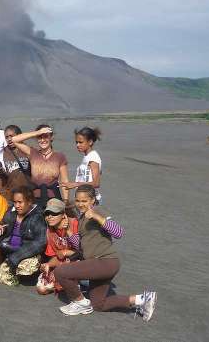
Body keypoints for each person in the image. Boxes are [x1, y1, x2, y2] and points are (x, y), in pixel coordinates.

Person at [53, 184, 157, 321]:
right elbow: (82, 246)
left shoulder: (98, 210)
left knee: (60, 272)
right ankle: (143, 299)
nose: (80, 204)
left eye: (84, 201)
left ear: (92, 201)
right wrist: (68, 232)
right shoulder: (83, 218)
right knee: (99, 304)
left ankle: (80, 302)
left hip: (104, 261)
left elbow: (119, 232)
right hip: (102, 264)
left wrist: (96, 217)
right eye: (77, 200)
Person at [0, 186, 46, 280]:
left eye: (20, 202)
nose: (17, 205)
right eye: (15, 202)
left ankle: (12, 265)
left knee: (27, 269)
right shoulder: (11, 211)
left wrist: (16, 257)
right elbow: (3, 223)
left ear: (29, 202)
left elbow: (40, 243)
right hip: (8, 247)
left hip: (25, 252)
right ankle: (5, 263)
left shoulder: (37, 217)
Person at [9, 125, 69, 209]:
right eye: (40, 137)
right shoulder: (32, 152)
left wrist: (65, 201)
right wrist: (37, 132)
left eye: (45, 137)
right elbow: (14, 140)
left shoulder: (60, 156)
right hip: (35, 198)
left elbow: (64, 181)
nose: (43, 140)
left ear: (51, 137)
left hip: (53, 198)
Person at [36, 198, 79, 295]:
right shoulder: (49, 231)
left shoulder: (74, 223)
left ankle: (82, 280)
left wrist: (66, 252)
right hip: (63, 262)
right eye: (47, 214)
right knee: (41, 288)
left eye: (54, 213)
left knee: (64, 274)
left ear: (63, 214)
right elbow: (56, 256)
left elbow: (84, 251)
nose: (49, 216)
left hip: (81, 261)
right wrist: (48, 265)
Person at [61, 127, 103, 204]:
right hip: (83, 200)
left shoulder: (93, 158)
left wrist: (75, 184)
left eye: (81, 142)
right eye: (76, 142)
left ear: (90, 142)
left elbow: (96, 183)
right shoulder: (87, 157)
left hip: (91, 201)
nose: (77, 145)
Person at [0, 125, 31, 202]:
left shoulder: (27, 150)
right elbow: (5, 176)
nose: (9, 139)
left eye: (12, 136)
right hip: (11, 194)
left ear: (20, 136)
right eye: (6, 137)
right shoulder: (3, 152)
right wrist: (1, 171)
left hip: (27, 192)